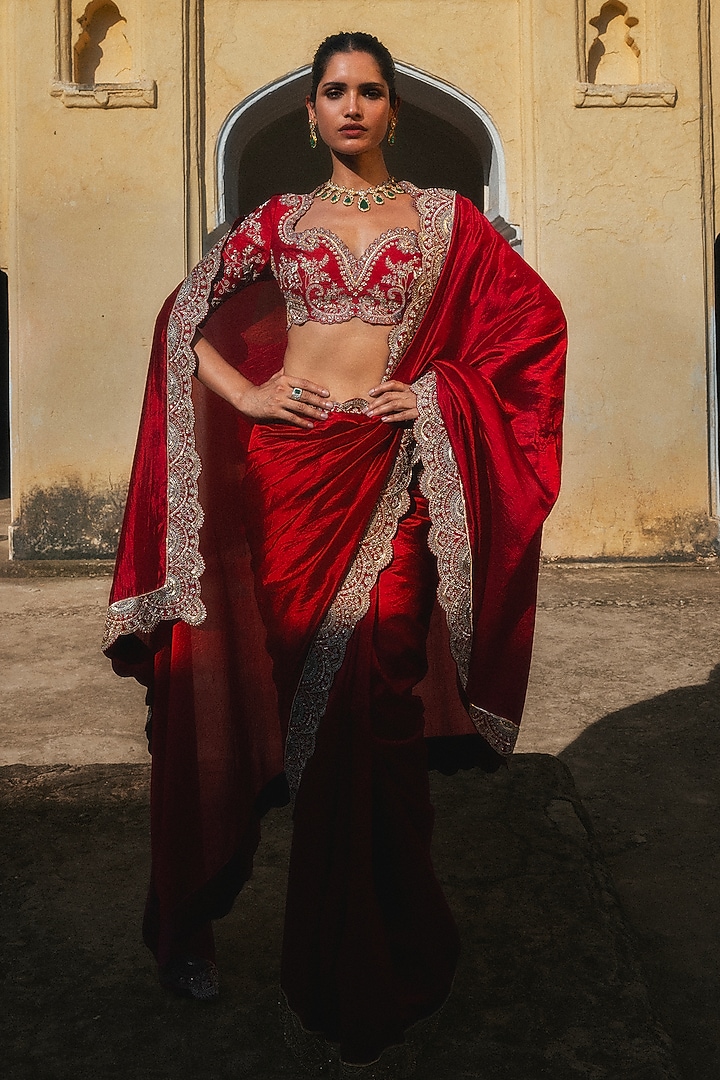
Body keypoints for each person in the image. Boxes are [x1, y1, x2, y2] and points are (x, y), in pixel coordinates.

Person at [103, 31, 566, 1078]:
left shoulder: (449, 220)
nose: (350, 107)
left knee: (378, 702)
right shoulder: (275, 222)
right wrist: (254, 394)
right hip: (286, 479)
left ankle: (380, 950)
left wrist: (440, 396)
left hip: (390, 485)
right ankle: (237, 917)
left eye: (368, 92)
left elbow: (533, 331)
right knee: (288, 694)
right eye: (332, 93)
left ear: (394, 109)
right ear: (309, 112)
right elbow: (184, 326)